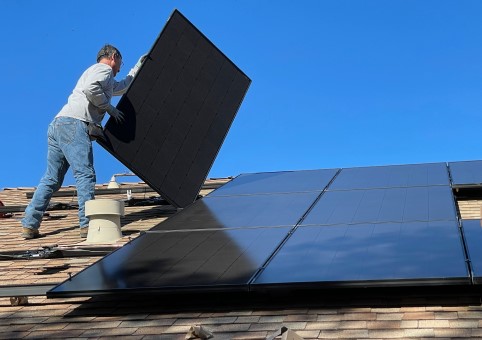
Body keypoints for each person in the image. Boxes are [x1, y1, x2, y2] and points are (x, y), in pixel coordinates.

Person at [21, 44, 146, 239]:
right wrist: (109, 108)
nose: (120, 67)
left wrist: (137, 67)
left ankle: (29, 224)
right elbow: (91, 89)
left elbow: (121, 87)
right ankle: (87, 225)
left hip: (58, 124)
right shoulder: (103, 69)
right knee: (85, 174)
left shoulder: (98, 73)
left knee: (51, 179)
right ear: (113, 57)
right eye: (121, 62)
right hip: (74, 124)